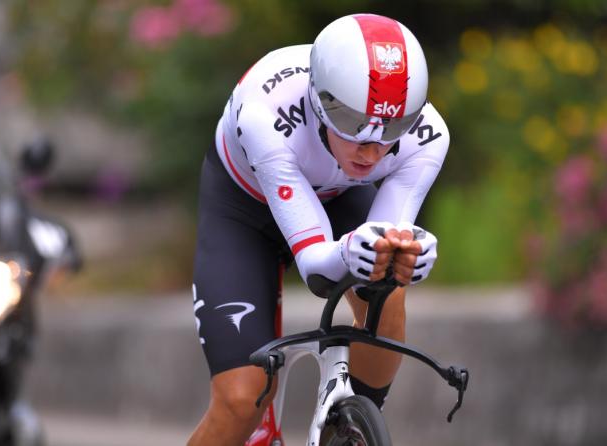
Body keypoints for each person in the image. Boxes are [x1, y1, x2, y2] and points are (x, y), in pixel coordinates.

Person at [189, 13, 449, 445]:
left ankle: (352, 429)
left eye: (392, 130)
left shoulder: (427, 135)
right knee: (242, 400)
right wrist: (351, 252)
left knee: (388, 295)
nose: (372, 150)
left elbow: (388, 233)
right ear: (317, 100)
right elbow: (317, 268)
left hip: (336, 197)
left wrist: (407, 250)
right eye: (353, 125)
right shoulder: (265, 111)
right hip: (242, 209)